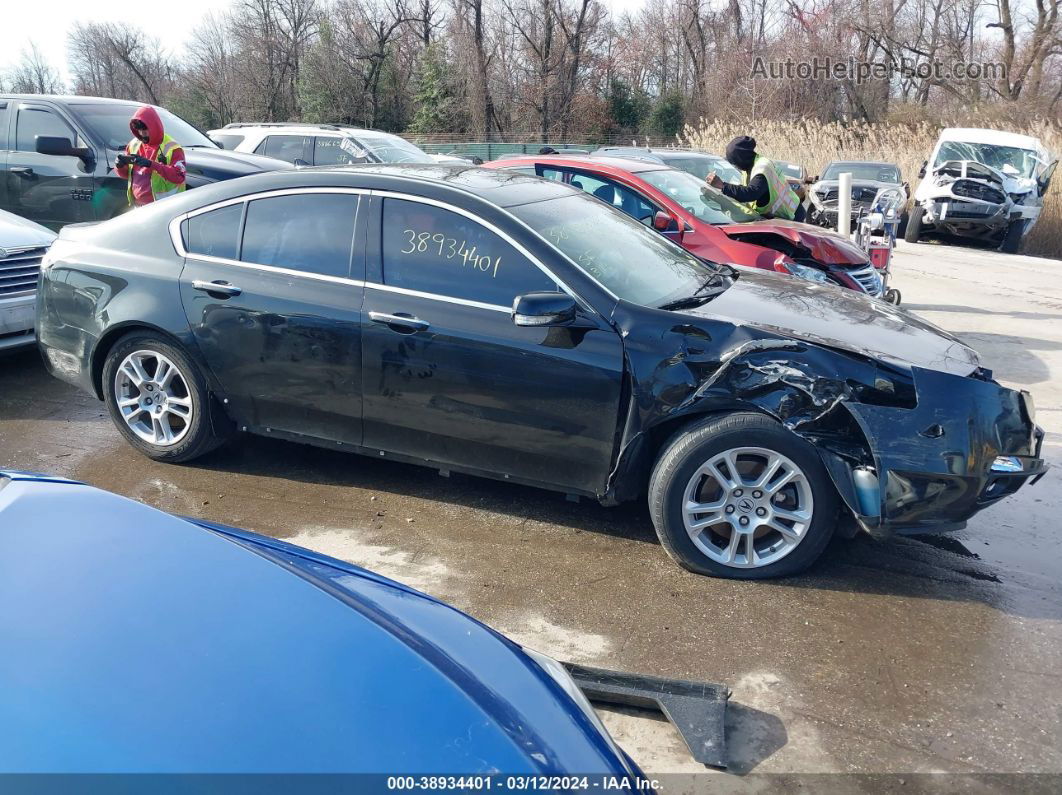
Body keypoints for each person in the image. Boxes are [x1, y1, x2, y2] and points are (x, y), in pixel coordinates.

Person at [706, 135, 805, 222]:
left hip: (792, 216)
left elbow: (751, 193)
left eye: (735, 162)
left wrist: (722, 185)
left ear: (741, 159)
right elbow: (745, 190)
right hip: (778, 218)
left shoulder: (762, 167)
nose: (735, 165)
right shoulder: (750, 167)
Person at [114, 106, 187, 208]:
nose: (142, 133)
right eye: (139, 129)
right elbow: (127, 175)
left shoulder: (172, 147)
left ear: (154, 126)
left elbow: (179, 176)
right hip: (138, 207)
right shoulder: (133, 145)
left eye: (145, 129)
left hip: (166, 207)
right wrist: (119, 166)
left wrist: (152, 164)